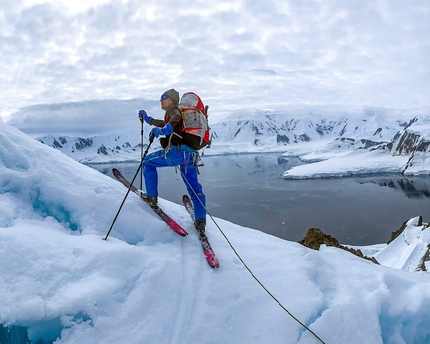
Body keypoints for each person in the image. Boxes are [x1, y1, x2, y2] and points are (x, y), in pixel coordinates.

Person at [138, 89, 207, 235]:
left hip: (178, 153)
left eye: (164, 97)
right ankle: (201, 220)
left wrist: (160, 131)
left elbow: (170, 124)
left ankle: (152, 197)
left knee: (148, 162)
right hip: (190, 156)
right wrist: (148, 119)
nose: (161, 99)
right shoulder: (179, 114)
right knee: (194, 188)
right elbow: (165, 122)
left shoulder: (174, 111)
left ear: (172, 100)